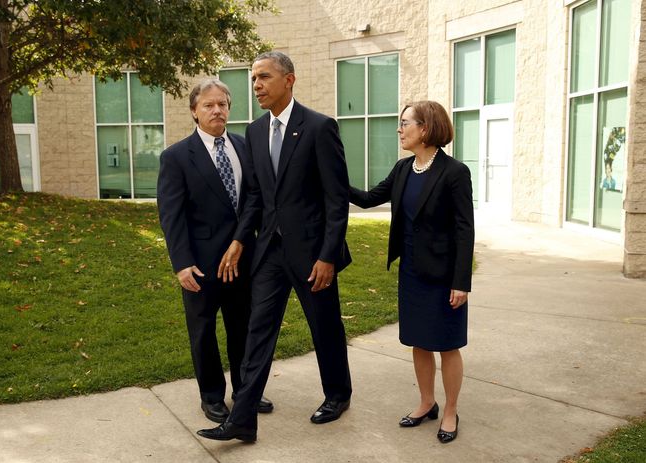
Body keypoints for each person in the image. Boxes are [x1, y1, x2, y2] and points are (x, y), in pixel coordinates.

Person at [197, 51, 353, 443]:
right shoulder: (253, 131)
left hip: (312, 254)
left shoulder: (319, 127)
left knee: (324, 328)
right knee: (257, 334)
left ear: (290, 80)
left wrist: (328, 256)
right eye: (253, 80)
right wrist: (237, 241)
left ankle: (338, 394)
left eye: (264, 77)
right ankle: (243, 421)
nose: (257, 86)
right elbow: (254, 196)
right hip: (268, 253)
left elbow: (336, 201)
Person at [349, 101, 474, 444]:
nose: (399, 129)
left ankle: (450, 410)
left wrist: (461, 282)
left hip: (445, 278)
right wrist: (330, 179)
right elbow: (367, 198)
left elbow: (465, 230)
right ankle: (426, 402)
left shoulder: (454, 173)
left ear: (426, 128)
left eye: (405, 123)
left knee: (447, 345)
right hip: (413, 274)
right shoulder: (403, 169)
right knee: (419, 342)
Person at [157, 79, 272, 425]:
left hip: (243, 259)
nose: (217, 110)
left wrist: (243, 241)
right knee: (203, 332)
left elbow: (254, 199)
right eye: (208, 105)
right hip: (202, 265)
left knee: (243, 328)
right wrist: (182, 265)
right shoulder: (176, 157)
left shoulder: (243, 146)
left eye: (222, 104)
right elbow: (171, 216)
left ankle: (244, 389)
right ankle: (211, 396)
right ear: (194, 111)